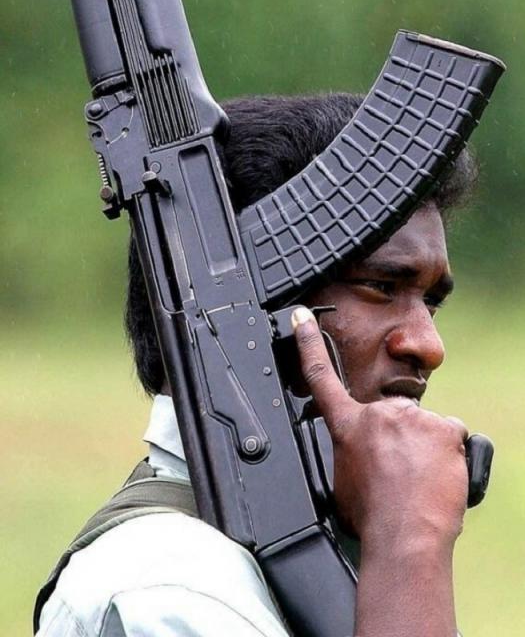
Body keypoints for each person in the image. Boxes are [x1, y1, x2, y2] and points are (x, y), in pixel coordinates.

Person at [35, 92, 479, 637]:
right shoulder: (167, 587)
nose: (428, 345)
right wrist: (410, 541)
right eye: (381, 287)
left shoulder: (313, 548)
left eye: (430, 301)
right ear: (248, 308)